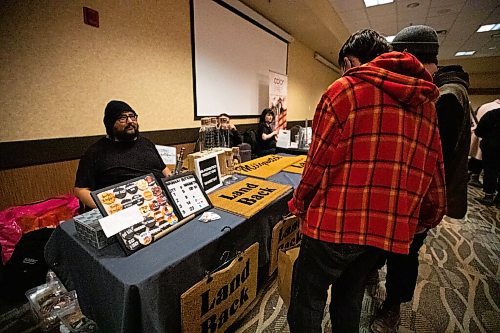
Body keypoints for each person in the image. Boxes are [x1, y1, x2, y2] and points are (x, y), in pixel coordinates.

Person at [287, 29, 446, 333]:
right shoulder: (425, 103)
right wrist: (424, 218)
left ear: (348, 62)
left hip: (331, 227)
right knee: (350, 297)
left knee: (307, 301)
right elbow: (434, 174)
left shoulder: (343, 90)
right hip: (383, 232)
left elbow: (315, 165)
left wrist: (299, 204)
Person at [371, 25, 458, 333]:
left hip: (413, 196)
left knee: (404, 255)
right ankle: (381, 289)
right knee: (392, 251)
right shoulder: (428, 89)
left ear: (408, 57)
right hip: (402, 193)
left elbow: (436, 162)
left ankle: (392, 305)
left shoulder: (440, 98)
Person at [74, 100, 171, 209]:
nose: (130, 121)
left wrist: (174, 186)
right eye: (122, 118)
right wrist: (107, 209)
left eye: (132, 116)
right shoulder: (95, 152)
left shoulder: (146, 143)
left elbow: (164, 169)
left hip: (161, 205)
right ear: (110, 123)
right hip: (125, 209)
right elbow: (81, 189)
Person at [469, 98, 500, 187]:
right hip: (492, 140)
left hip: (482, 137)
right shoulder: (496, 109)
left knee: (478, 158)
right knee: (491, 168)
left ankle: (474, 176)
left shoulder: (484, 106)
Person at [474, 107, 500, 206]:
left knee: (490, 170)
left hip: (491, 147)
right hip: (492, 146)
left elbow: (479, 131)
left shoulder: (493, 114)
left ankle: (489, 195)